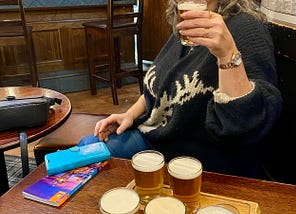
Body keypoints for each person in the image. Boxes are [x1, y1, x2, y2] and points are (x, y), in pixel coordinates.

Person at [79, 0, 282, 178]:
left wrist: (227, 53)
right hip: (154, 137)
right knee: (86, 147)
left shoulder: (246, 28)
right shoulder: (184, 29)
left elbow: (247, 123)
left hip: (193, 163)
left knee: (88, 158)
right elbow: (159, 83)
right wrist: (129, 115)